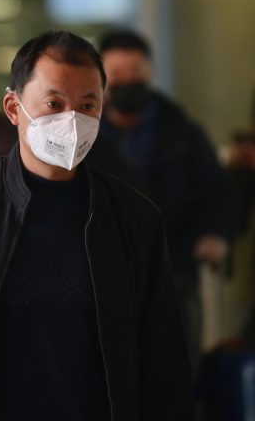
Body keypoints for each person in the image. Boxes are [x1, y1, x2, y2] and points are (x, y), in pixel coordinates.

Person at [0, 31, 194, 420]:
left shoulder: (134, 218)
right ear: (13, 108)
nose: (72, 120)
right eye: (54, 103)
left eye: (87, 105)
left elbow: (163, 362)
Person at [98, 29, 238, 366]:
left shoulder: (183, 132)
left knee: (175, 369)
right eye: (117, 73)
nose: (127, 80)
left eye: (136, 70)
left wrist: (215, 234)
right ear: (101, 78)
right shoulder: (84, 134)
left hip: (173, 271)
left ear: (151, 71)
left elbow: (218, 192)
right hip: (101, 275)